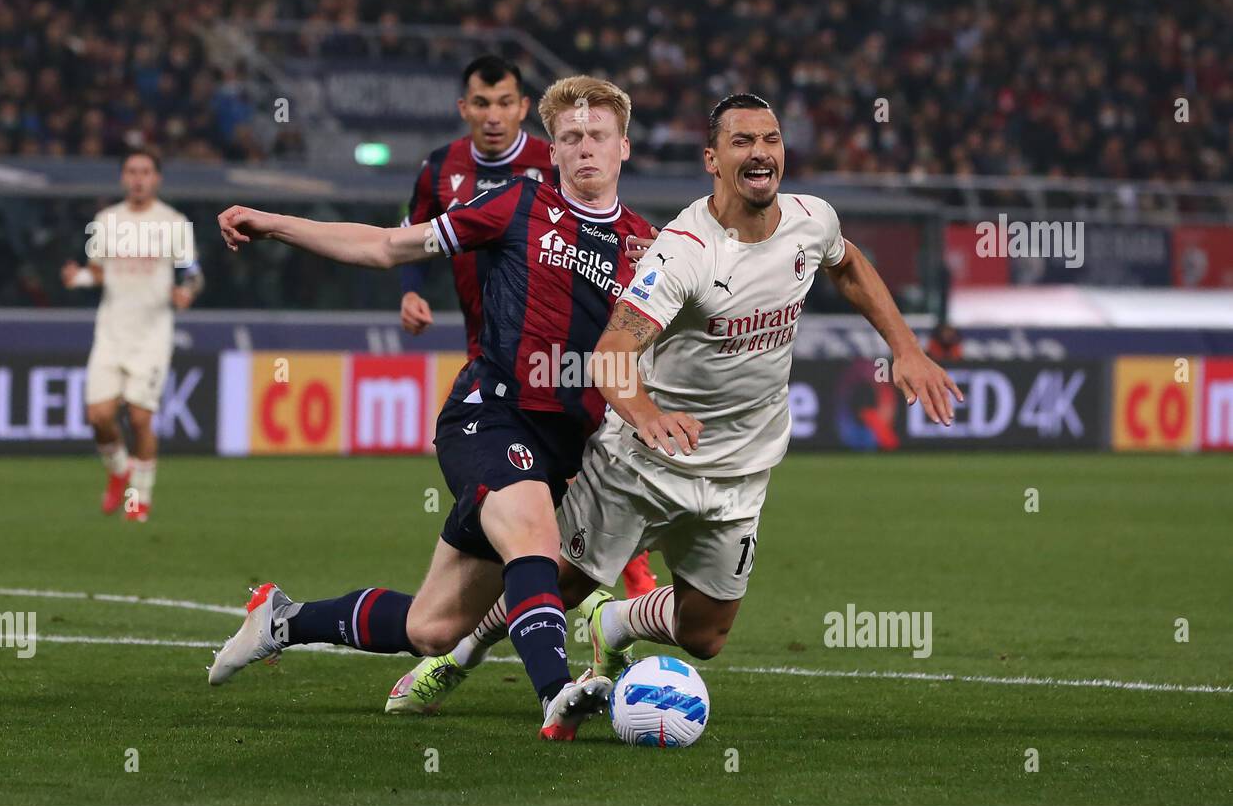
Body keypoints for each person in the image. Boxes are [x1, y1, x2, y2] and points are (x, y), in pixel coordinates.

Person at [394, 93, 963, 702]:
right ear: (712, 159)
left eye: (770, 140)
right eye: (742, 142)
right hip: (642, 461)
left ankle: (615, 625)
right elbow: (614, 349)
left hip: (741, 469)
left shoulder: (811, 219)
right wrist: (645, 414)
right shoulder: (682, 252)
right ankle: (457, 657)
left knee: (705, 634)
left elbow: (847, 265)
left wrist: (905, 347)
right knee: (549, 589)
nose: (760, 153)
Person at [210, 76, 657, 741]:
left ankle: (282, 618)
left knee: (432, 626)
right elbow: (391, 246)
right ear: (553, 150)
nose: (584, 148)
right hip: (490, 415)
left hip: (566, 449)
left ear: (623, 147)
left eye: (597, 136)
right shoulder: (514, 205)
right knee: (533, 537)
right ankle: (555, 696)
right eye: (570, 138)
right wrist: (276, 224)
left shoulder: (649, 249)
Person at [396, 55, 657, 604]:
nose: (493, 116)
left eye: (505, 103)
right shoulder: (441, 169)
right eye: (482, 103)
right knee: (527, 525)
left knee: (565, 494)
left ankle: (601, 586)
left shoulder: (559, 166)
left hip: (565, 365)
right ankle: (552, 624)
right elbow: (408, 238)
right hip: (496, 351)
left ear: (520, 108)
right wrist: (411, 288)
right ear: (464, 109)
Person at [60, 150, 203, 523]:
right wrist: (78, 278)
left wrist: (187, 291)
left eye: (145, 172)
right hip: (111, 332)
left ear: (157, 178)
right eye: (132, 171)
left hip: (152, 334)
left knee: (140, 418)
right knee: (99, 416)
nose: (138, 178)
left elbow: (193, 273)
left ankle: (139, 497)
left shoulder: (173, 223)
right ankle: (119, 469)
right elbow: (99, 273)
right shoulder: (106, 221)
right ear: (123, 178)